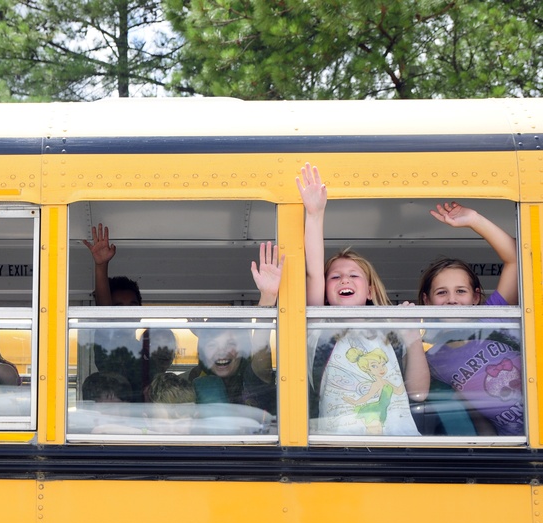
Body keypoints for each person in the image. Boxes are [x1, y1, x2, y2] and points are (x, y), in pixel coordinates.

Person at [300, 163, 429, 435]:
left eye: (354, 276)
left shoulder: (389, 333)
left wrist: (412, 337)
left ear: (370, 291)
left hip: (399, 448)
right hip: (339, 449)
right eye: (335, 277)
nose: (344, 280)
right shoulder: (319, 327)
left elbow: (418, 393)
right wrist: (314, 214)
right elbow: (313, 272)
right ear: (325, 291)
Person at [416, 202, 523, 436]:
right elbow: (471, 412)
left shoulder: (493, 319)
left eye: (460, 291)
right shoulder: (433, 360)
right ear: (427, 300)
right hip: (516, 444)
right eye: (441, 292)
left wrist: (474, 220)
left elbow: (517, 259)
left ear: (476, 297)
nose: (452, 299)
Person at [80, 223, 177, 402]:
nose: (126, 311)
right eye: (118, 306)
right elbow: (104, 309)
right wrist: (101, 266)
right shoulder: (108, 342)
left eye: (132, 305)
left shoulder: (144, 351)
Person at [190, 242, 283, 415]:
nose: (222, 351)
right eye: (212, 344)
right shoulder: (193, 382)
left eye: (230, 343)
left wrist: (268, 298)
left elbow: (260, 346)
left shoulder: (254, 378)